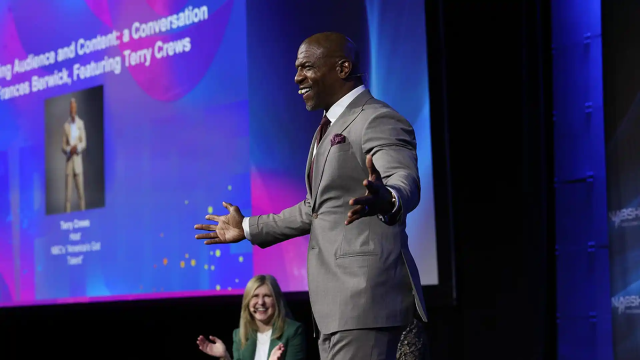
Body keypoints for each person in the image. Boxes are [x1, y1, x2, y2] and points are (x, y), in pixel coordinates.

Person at [194, 32, 427, 360]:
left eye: (306, 67)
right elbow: (314, 209)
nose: (297, 77)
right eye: (296, 68)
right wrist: (246, 228)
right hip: (334, 310)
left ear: (343, 68)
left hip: (367, 301)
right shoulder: (327, 127)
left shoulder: (377, 118)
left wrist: (387, 198)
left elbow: (404, 180)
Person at [196, 274, 305, 360]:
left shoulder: (293, 331)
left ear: (276, 301)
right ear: (247, 302)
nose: (261, 302)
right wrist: (225, 356)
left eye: (267, 296)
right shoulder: (239, 335)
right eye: (255, 296)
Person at [61, 98, 86, 212]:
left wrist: (77, 148)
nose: (72, 109)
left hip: (78, 165)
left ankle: (84, 217)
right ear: (69, 109)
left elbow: (84, 142)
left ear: (76, 108)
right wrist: (68, 150)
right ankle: (66, 223)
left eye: (74, 107)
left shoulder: (81, 123)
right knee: (67, 198)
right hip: (69, 165)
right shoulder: (65, 125)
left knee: (81, 195)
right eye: (71, 107)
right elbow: (62, 146)